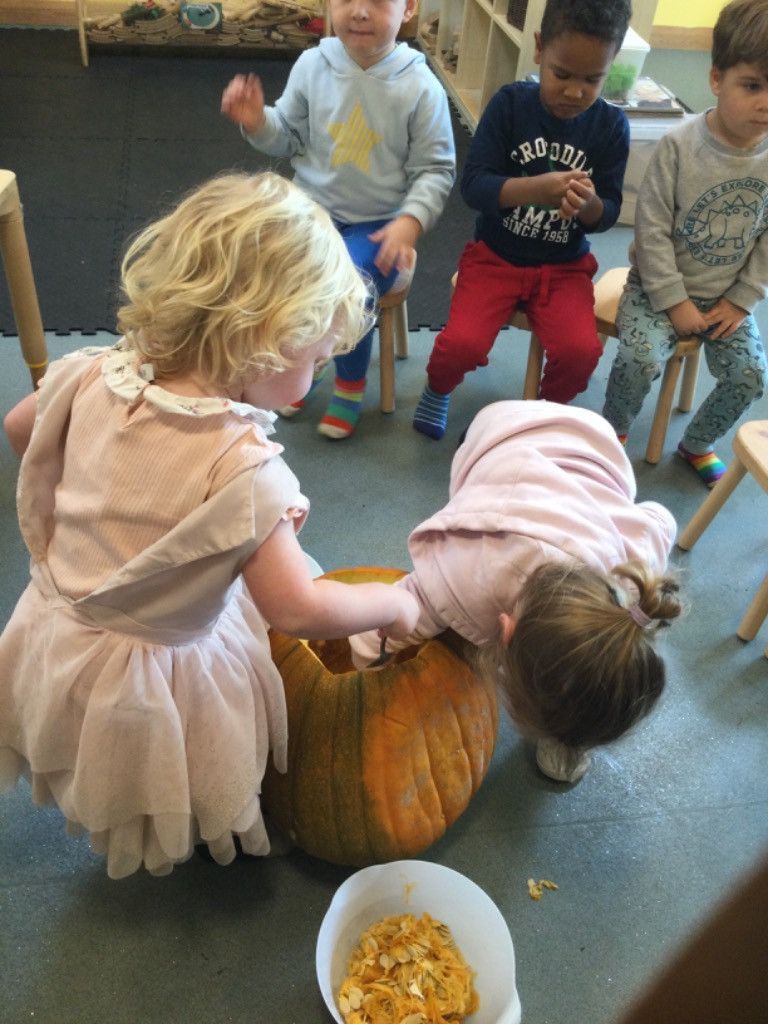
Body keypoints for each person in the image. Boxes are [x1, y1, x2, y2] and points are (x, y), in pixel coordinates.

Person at [0, 172, 419, 879]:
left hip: (60, 628)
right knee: (179, 766)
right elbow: (296, 607)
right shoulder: (245, 472)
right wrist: (396, 601)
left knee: (106, 755)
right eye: (314, 357)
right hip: (158, 663)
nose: (316, 374)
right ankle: (190, 828)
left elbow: (21, 431)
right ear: (260, 342)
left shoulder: (92, 370)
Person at [351, 400, 682, 783]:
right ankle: (564, 730)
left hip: (595, 445)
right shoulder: (469, 570)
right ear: (504, 632)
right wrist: (361, 669)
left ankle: (567, 734)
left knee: (581, 694)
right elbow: (398, 608)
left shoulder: (633, 584)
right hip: (498, 435)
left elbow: (661, 517)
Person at [221, 0, 455, 439]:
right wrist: (257, 123)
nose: (360, 12)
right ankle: (298, 368)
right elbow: (287, 135)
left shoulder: (421, 85)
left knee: (350, 282)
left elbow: (436, 170)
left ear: (409, 9)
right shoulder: (313, 64)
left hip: (381, 224)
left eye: (377, 1)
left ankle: (349, 383)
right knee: (264, 262)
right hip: (311, 213)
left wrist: (411, 221)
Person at [412, 0, 631, 440]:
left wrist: (587, 205)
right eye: (562, 73)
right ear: (538, 49)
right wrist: (536, 188)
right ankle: (437, 390)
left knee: (580, 352)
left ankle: (544, 414)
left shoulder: (610, 126)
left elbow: (607, 213)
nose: (574, 91)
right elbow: (474, 187)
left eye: (593, 79)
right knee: (461, 345)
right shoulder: (511, 105)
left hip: (564, 268)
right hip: (495, 258)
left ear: (611, 66)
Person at [603, 0, 768, 488]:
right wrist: (673, 303)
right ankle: (612, 433)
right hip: (655, 292)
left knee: (751, 376)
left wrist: (741, 301)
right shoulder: (678, 146)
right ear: (717, 79)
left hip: (725, 301)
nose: (766, 102)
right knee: (641, 357)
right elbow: (650, 233)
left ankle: (697, 443)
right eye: (753, 86)